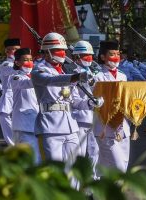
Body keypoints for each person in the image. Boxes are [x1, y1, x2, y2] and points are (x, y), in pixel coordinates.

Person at [31, 32, 103, 164]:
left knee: (74, 168)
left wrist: (90, 102)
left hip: (70, 125)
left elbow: (74, 101)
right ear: (47, 52)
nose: (63, 54)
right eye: (59, 50)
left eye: (64, 50)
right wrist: (77, 77)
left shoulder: (65, 72)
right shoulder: (38, 70)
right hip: (50, 126)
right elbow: (51, 81)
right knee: (54, 169)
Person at [93, 41, 131, 173]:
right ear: (103, 57)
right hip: (105, 127)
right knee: (118, 168)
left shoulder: (122, 76)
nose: (115, 57)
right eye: (112, 54)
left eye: (117, 54)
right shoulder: (97, 77)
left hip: (123, 128)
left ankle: (97, 192)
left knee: (120, 167)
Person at [71, 40, 100, 179]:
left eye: (90, 55)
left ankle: (92, 180)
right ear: (77, 57)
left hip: (94, 117)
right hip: (80, 118)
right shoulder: (73, 73)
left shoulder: (93, 72)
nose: (89, 58)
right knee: (80, 153)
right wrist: (89, 103)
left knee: (95, 151)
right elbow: (74, 100)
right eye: (85, 56)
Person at [10, 48, 41, 163]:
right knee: (26, 159)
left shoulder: (33, 76)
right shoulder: (15, 77)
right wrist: (42, 77)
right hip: (23, 124)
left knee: (37, 157)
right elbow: (27, 84)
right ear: (17, 62)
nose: (29, 62)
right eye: (25, 60)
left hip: (36, 123)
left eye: (31, 59)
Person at [0, 38, 21, 146]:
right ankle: (13, 144)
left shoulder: (25, 62)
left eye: (17, 49)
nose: (15, 52)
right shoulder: (6, 64)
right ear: (6, 51)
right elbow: (14, 68)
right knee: (5, 117)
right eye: (13, 49)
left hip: (21, 95)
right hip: (9, 95)